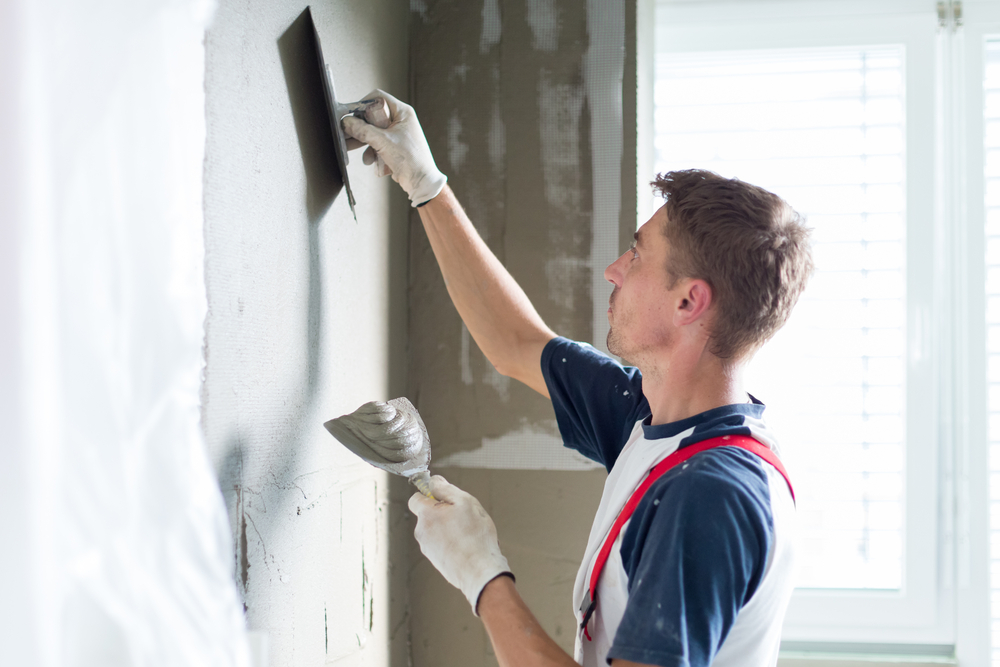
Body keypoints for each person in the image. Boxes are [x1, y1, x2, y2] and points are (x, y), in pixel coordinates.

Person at [344, 90, 814, 667]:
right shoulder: (658, 416)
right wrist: (426, 184)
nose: (614, 270)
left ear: (689, 301)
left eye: (637, 256)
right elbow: (517, 342)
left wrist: (484, 577)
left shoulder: (709, 496)